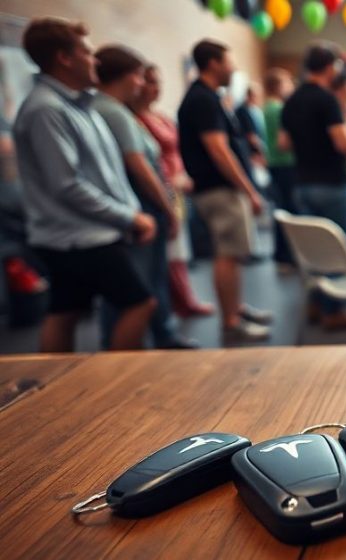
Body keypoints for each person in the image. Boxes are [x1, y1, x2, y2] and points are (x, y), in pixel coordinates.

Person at [13, 18, 156, 352]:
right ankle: (119, 383)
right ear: (64, 58)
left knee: (66, 311)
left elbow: (104, 173)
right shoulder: (46, 109)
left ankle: (53, 389)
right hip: (78, 237)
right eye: (88, 53)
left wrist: (129, 212)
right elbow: (66, 185)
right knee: (140, 303)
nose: (95, 61)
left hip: (84, 232)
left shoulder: (79, 105)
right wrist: (129, 217)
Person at [93, 45, 196, 349]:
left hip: (144, 204)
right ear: (123, 76)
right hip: (144, 206)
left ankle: (157, 335)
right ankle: (133, 346)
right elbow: (140, 166)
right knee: (139, 285)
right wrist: (167, 207)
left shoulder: (116, 111)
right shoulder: (113, 111)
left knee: (149, 279)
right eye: (139, 77)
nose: (142, 84)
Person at [177, 39, 272, 342]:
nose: (234, 68)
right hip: (219, 190)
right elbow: (219, 150)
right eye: (229, 61)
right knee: (228, 254)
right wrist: (249, 190)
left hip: (221, 190)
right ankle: (231, 321)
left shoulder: (209, 97)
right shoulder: (203, 99)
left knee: (235, 253)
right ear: (214, 63)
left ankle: (236, 308)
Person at [281, 43, 346, 331]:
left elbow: (283, 143)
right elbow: (342, 143)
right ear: (330, 67)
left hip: (302, 183)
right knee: (337, 249)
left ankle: (315, 302)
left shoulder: (291, 101)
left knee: (313, 248)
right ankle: (334, 309)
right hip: (330, 184)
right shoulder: (327, 101)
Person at [135, 64, 214, 319]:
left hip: (177, 186)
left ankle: (183, 299)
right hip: (160, 188)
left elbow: (176, 151)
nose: (155, 88)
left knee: (179, 248)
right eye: (149, 81)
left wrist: (183, 176)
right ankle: (172, 305)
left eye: (158, 81)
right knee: (168, 249)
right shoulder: (136, 120)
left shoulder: (160, 115)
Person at [262, 67, 296, 267]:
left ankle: (282, 254)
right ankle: (286, 255)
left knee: (280, 208)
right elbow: (283, 142)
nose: (290, 87)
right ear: (278, 86)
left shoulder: (267, 108)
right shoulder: (279, 109)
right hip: (284, 164)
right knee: (287, 210)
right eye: (287, 82)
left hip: (275, 164)